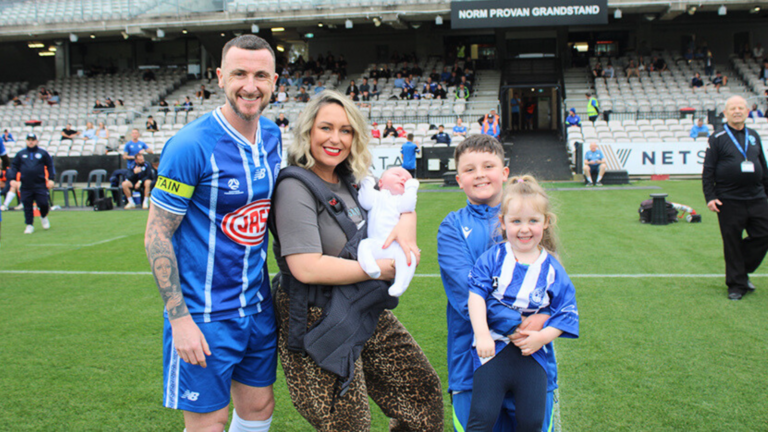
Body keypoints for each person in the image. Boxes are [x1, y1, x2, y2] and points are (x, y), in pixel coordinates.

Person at [270, 90, 443, 431]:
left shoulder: (350, 180)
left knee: (421, 392)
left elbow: (398, 203)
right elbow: (306, 267)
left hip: (361, 307)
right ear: (308, 132)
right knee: (349, 425)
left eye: (346, 130)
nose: (336, 139)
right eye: (326, 128)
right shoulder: (294, 186)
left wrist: (406, 232)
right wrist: (382, 269)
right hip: (315, 319)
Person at [145, 34, 282, 432]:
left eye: (261, 75)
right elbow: (157, 235)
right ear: (220, 77)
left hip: (257, 307)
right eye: (239, 73)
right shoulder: (190, 145)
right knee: (209, 421)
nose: (250, 86)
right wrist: (180, 320)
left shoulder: (273, 137)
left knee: (259, 407)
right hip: (203, 315)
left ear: (275, 81)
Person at [438, 135, 553, 432]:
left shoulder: (528, 222)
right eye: (470, 169)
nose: (479, 174)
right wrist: (520, 325)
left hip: (533, 360)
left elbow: (551, 287)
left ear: (504, 172)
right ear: (458, 179)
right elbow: (466, 295)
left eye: (488, 165)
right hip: (473, 363)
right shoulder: (452, 227)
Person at [466, 175, 579, 432]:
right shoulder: (493, 258)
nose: (524, 229)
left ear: (546, 222)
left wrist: (542, 338)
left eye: (533, 221)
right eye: (516, 221)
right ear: (502, 222)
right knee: (481, 419)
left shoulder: (552, 268)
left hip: (533, 355)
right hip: (491, 352)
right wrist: (482, 334)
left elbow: (567, 312)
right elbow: (475, 296)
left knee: (531, 422)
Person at [702, 95, 768, 301]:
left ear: (747, 112)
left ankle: (740, 271)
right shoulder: (718, 137)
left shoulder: (754, 135)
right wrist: (710, 197)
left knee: (763, 235)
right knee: (732, 242)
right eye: (733, 108)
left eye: (741, 108)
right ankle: (737, 285)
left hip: (757, 197)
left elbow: (763, 167)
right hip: (728, 199)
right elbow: (708, 170)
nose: (737, 111)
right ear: (726, 113)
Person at [357, 167, 419, 297]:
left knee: (409, 255)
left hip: (396, 246)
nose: (403, 178)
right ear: (380, 182)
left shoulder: (400, 200)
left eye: (407, 180)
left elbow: (408, 207)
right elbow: (365, 202)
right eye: (397, 174)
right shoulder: (376, 196)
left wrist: (411, 188)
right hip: (375, 243)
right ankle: (370, 267)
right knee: (364, 245)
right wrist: (367, 183)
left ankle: (401, 283)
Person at [9, 133, 54, 234]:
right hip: (25, 185)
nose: (31, 141)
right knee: (27, 205)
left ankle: (43, 216)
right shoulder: (21, 154)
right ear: (26, 141)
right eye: (29, 139)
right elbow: (15, 166)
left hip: (40, 184)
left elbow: (50, 165)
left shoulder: (42, 153)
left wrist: (51, 178)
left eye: (32, 140)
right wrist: (13, 179)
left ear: (36, 141)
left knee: (43, 203)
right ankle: (29, 225)